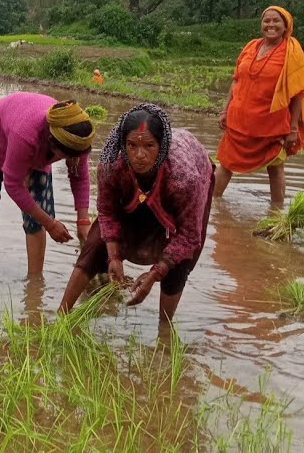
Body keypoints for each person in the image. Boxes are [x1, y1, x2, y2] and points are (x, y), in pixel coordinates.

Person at [58, 104, 214, 322]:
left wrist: (156, 272)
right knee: (95, 244)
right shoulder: (112, 164)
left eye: (149, 146)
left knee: (178, 263)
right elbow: (106, 211)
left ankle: (165, 330)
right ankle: (61, 316)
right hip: (134, 192)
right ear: (123, 144)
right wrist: (113, 256)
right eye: (132, 145)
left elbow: (189, 235)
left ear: (161, 146)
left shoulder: (184, 177)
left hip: (183, 190)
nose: (140, 155)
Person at [0, 93, 94, 276]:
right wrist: (50, 224)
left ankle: (35, 281)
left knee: (38, 214)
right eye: (67, 156)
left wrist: (83, 220)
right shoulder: (26, 135)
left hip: (28, 131)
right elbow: (13, 185)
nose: (73, 160)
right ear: (52, 144)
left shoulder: (75, 132)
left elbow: (79, 175)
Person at [214, 5, 304, 210]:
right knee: (226, 164)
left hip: (271, 123)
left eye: (276, 21)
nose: (271, 25)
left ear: (286, 26)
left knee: (275, 168)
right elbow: (236, 80)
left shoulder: (292, 53)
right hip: (238, 120)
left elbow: (297, 95)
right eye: (266, 20)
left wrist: (293, 128)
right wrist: (225, 109)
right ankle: (210, 207)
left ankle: (276, 214)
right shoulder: (251, 46)